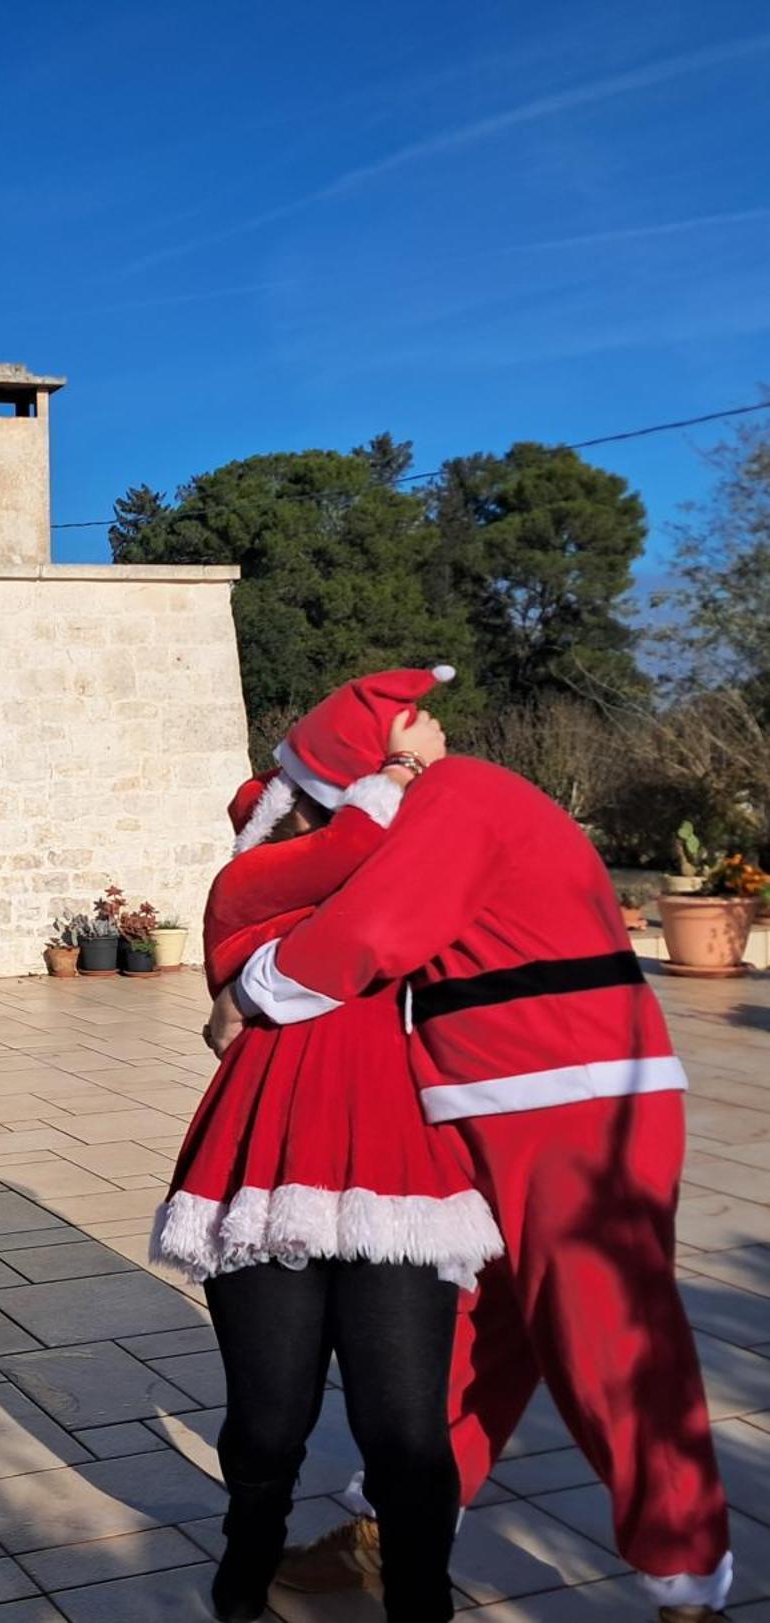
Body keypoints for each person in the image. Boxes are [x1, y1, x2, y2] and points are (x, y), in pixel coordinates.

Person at [208, 670, 734, 1622]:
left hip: (569, 1103)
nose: (430, 721)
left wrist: (249, 992)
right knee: (483, 1332)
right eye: (404, 719)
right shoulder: (435, 801)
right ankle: (388, 1531)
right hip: (509, 1101)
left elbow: (372, 930)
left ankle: (686, 1580)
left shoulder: (463, 796)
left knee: (607, 1334)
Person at [154, 665, 502, 1623]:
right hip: (263, 1164)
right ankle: (245, 1568)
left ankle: (420, 1603)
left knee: (406, 1433)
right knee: (270, 1424)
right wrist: (398, 769)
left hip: (404, 1171)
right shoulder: (248, 879)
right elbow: (350, 862)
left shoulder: (412, 877)